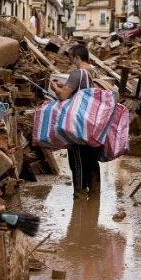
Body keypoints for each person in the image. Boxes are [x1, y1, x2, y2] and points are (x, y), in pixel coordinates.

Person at [50, 44, 101, 198]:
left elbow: (63, 96)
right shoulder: (94, 72)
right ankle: (94, 193)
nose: (72, 62)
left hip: (78, 124)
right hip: (93, 122)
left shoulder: (77, 73)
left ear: (77, 58)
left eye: (73, 59)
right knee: (92, 158)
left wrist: (55, 88)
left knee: (77, 159)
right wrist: (64, 86)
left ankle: (79, 194)